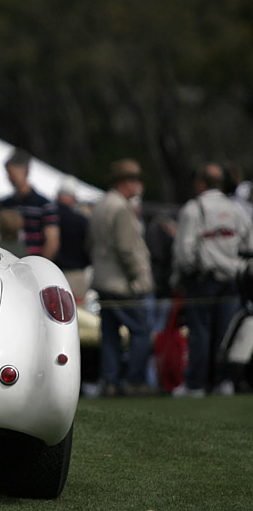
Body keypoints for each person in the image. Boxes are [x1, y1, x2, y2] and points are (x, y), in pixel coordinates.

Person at [171, 163, 253, 397]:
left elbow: (184, 250)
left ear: (201, 183)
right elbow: (249, 245)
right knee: (226, 334)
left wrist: (183, 275)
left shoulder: (194, 208)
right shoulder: (237, 210)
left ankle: (196, 384)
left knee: (200, 334)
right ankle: (223, 381)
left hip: (202, 280)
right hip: (232, 280)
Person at [87, 159, 154, 396]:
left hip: (103, 279)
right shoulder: (122, 208)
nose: (138, 185)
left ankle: (110, 381)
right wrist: (139, 278)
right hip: (122, 283)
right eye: (135, 180)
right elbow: (126, 248)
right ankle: (135, 381)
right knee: (141, 332)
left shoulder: (101, 205)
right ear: (126, 182)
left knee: (110, 335)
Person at [0, 148, 59, 260]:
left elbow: (52, 241)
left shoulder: (44, 205)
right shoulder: (8, 204)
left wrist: (40, 266)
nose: (9, 178)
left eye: (12, 174)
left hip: (33, 264)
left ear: (25, 171)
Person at [53, 176, 91, 302]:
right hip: (75, 274)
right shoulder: (81, 220)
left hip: (51, 272)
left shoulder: (49, 216)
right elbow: (89, 247)